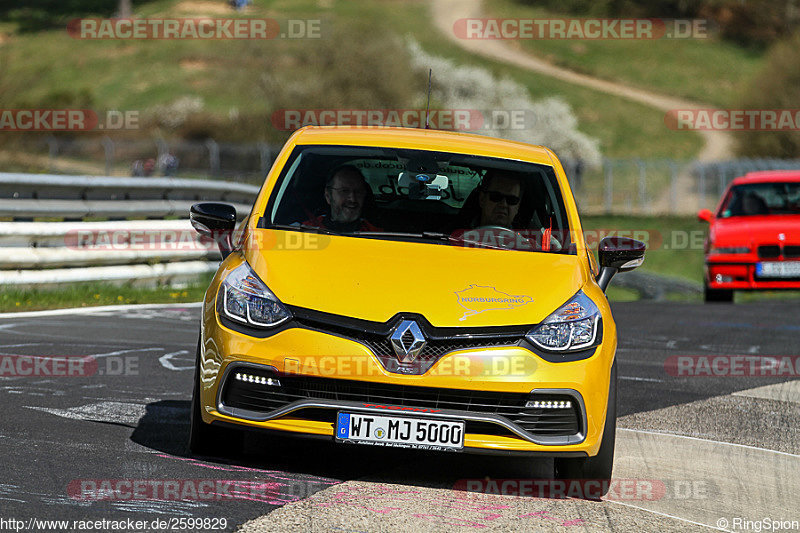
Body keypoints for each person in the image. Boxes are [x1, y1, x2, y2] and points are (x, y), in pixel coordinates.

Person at [303, 165, 381, 232]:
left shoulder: (376, 235)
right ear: (328, 195)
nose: (352, 199)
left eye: (358, 192)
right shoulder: (306, 230)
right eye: (344, 191)